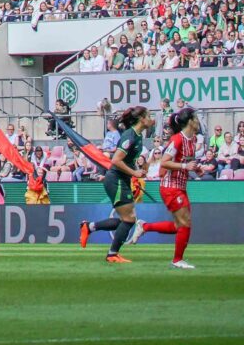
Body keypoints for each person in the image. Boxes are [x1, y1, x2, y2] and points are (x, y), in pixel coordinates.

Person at [78, 106, 152, 263]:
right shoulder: (130, 136)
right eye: (149, 115)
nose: (152, 118)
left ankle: (89, 227)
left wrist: (138, 169)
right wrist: (135, 173)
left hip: (122, 179)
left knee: (126, 219)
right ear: (141, 119)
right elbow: (116, 160)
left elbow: (127, 161)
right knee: (129, 219)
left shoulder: (137, 136)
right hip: (116, 179)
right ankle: (112, 254)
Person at [138, 108, 199, 270]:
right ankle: (177, 259)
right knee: (185, 223)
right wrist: (185, 165)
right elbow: (164, 162)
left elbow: (185, 162)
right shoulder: (177, 140)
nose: (198, 120)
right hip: (170, 187)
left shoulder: (192, 139)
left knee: (180, 225)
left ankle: (144, 226)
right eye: (196, 117)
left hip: (180, 186)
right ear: (190, 121)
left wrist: (196, 169)